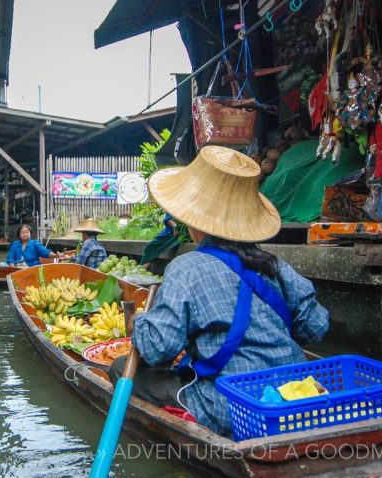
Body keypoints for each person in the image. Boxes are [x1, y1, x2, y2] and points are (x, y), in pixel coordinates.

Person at [109, 146, 329, 436]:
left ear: (194, 221)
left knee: (120, 367)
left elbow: (157, 350)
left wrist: (140, 322)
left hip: (231, 408)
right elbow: (316, 327)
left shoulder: (185, 268)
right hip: (295, 393)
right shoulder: (275, 265)